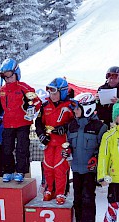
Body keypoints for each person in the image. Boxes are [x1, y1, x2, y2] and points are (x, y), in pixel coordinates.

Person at [67, 93, 108, 222]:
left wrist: (96, 158)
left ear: (88, 108)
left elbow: (103, 149)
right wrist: (67, 151)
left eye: (77, 108)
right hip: (76, 168)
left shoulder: (100, 127)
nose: (75, 111)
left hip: (91, 170)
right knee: (77, 196)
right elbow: (68, 143)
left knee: (88, 196)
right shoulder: (72, 125)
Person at [0, 58, 42, 183]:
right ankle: (8, 170)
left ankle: (21, 171)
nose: (8, 80)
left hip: (22, 123)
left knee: (22, 148)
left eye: (10, 76)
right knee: (7, 148)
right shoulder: (2, 90)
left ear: (16, 74)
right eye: (5, 77)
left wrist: (32, 108)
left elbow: (37, 101)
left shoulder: (24, 88)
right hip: (8, 123)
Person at [35, 77, 74, 205]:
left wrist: (65, 127)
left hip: (63, 142)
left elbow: (76, 122)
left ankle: (60, 192)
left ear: (62, 92)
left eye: (55, 93)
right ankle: (49, 190)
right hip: (49, 142)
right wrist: (41, 135)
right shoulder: (45, 105)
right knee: (48, 166)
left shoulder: (70, 106)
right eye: (51, 93)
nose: (52, 95)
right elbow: (38, 122)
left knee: (59, 167)